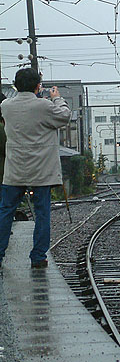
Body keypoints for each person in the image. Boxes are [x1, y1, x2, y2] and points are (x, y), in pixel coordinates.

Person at [0, 69, 71, 269]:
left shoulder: (5, 106)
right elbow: (64, 116)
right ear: (38, 86)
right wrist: (57, 98)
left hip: (14, 170)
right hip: (41, 171)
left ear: (15, 85)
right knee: (42, 214)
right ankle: (38, 256)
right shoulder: (44, 106)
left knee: (5, 211)